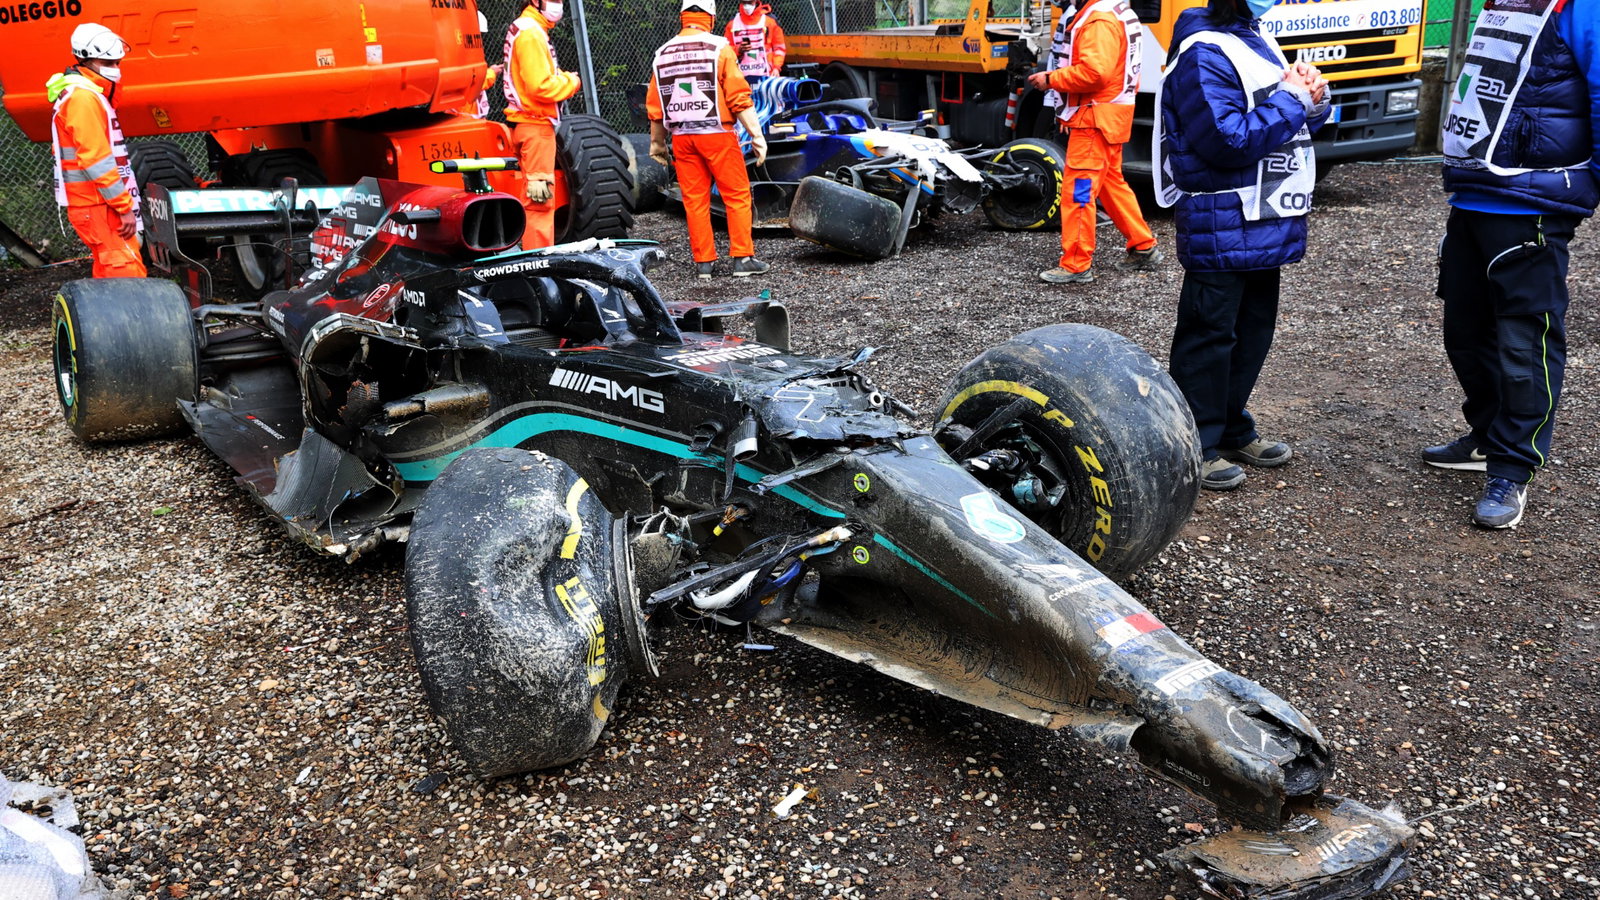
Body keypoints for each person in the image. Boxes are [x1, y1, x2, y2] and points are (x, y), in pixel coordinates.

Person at [1428, 0, 1599, 529]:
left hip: (1533, 203)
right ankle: (1487, 435)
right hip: (1475, 193)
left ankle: (1512, 466)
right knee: (1465, 329)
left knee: (1525, 339)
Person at [1153, 0, 1328, 490]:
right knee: (1209, 334)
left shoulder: (1253, 34)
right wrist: (1293, 100)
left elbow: (1286, 119)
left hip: (1263, 215)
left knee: (1251, 331)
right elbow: (1226, 142)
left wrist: (1315, 96)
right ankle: (1196, 444)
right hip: (1223, 216)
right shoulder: (1204, 51)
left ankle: (1230, 425)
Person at [1025, 0, 1160, 285]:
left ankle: (1076, 263)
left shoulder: (1098, 20)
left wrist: (1050, 79)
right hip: (1110, 115)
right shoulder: (1117, 11)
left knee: (1079, 192)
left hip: (1094, 119)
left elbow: (1094, 73)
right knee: (1112, 184)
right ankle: (1143, 245)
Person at [647, 0, 770, 279]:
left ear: (682, 16)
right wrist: (757, 135)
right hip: (717, 134)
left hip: (682, 138)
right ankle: (742, 259)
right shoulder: (720, 47)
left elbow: (655, 105)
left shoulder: (662, 53)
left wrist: (657, 143)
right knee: (736, 195)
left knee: (694, 200)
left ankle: (704, 264)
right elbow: (738, 96)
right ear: (711, 17)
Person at [46, 23, 145, 279]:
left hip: (97, 203)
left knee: (110, 270)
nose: (115, 69)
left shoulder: (86, 95)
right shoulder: (84, 99)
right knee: (126, 273)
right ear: (84, 59)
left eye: (117, 62)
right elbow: (96, 160)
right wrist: (124, 208)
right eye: (107, 63)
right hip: (98, 204)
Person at [504, 0, 581, 249]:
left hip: (527, 124)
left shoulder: (527, 29)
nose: (558, 5)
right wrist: (571, 81)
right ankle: (540, 268)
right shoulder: (531, 33)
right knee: (539, 202)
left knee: (534, 200)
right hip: (535, 126)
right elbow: (541, 87)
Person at [725, 1, 786, 80]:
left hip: (767, 75)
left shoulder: (770, 21)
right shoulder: (732, 24)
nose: (747, 6)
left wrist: (776, 67)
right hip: (740, 79)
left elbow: (779, 48)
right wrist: (738, 50)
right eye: (744, 3)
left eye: (750, 3)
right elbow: (726, 50)